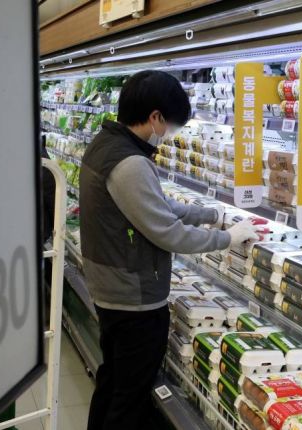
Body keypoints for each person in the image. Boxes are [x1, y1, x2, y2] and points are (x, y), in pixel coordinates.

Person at [79, 70, 260, 430]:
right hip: (133, 299)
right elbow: (169, 233)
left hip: (110, 288)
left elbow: (156, 205)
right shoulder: (131, 164)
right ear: (156, 117)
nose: (171, 134)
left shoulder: (106, 144)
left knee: (112, 381)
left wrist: (211, 215)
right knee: (129, 398)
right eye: (174, 125)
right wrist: (227, 238)